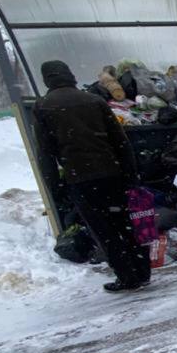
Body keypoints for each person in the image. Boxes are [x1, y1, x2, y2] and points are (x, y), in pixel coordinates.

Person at [33, 60, 151, 293]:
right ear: (70, 75)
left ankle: (127, 277)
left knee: (104, 231)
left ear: (47, 79)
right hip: (112, 173)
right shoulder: (94, 100)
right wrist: (130, 175)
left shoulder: (44, 106)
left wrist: (55, 187)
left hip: (81, 178)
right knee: (125, 224)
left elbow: (45, 154)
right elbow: (121, 142)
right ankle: (142, 271)